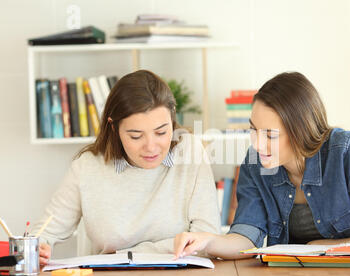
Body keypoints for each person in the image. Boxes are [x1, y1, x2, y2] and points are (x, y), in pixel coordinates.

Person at [174, 71, 350, 260]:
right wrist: (209, 241)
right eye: (253, 130)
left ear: (300, 132)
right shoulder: (255, 164)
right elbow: (247, 237)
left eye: (270, 135)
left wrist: (322, 248)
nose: (257, 144)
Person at [34, 70, 221, 265]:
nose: (151, 146)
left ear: (172, 122)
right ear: (114, 128)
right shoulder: (87, 167)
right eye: (136, 136)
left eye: (161, 132)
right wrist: (38, 246)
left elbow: (206, 240)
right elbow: (44, 232)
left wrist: (123, 256)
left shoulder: (190, 152)